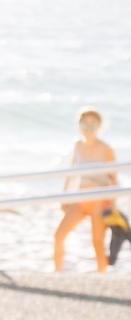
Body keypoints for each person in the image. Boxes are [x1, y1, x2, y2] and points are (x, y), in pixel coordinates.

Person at [54, 107, 118, 272]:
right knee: (58, 236)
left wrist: (112, 204)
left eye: (92, 125)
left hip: (99, 201)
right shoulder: (78, 145)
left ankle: (102, 278)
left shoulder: (106, 149)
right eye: (85, 124)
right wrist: (64, 197)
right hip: (80, 199)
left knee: (97, 243)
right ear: (79, 125)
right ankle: (57, 273)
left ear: (99, 126)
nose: (88, 128)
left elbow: (113, 179)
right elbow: (70, 172)